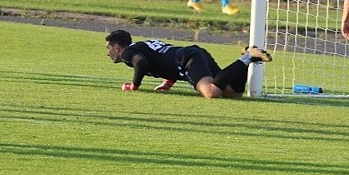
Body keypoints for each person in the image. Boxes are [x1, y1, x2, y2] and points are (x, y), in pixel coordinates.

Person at [105, 29, 272, 99]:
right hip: (191, 54)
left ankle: (247, 57)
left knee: (211, 92)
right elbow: (162, 57)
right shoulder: (141, 45)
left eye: (109, 48)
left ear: (117, 46)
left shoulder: (127, 53)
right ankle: (245, 59)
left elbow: (141, 63)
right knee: (232, 93)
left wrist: (134, 86)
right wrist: (168, 82)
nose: (108, 53)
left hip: (187, 60)